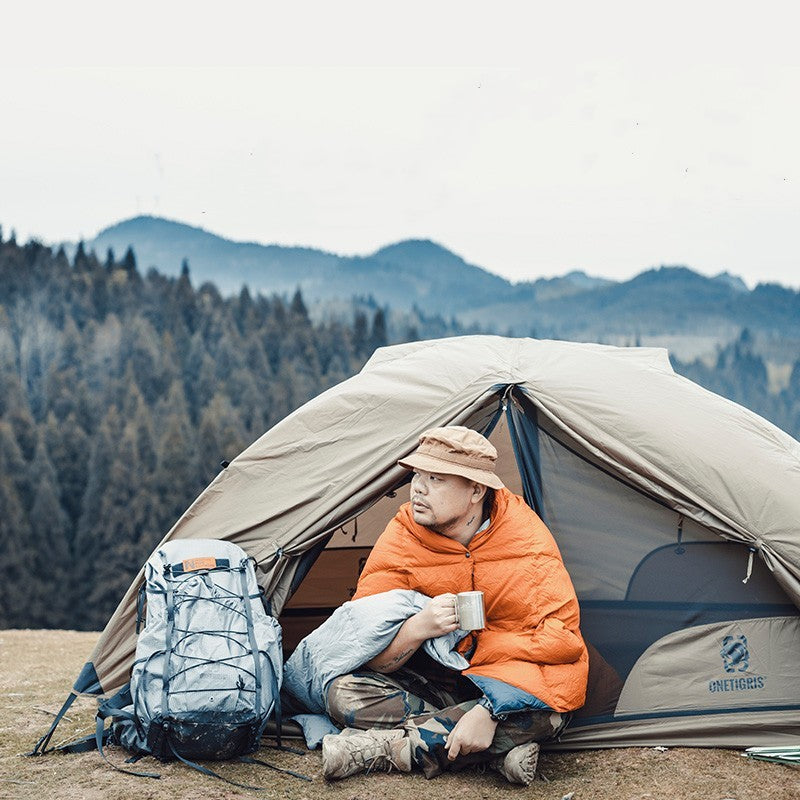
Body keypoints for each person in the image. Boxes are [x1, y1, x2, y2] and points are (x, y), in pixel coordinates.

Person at [321, 426, 588, 784]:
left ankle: (387, 749)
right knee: (343, 693)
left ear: (476, 490)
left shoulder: (525, 539)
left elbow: (562, 641)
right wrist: (418, 628)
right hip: (441, 683)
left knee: (551, 711)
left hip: (511, 682)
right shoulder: (403, 535)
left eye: (435, 478)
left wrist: (490, 708)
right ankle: (492, 752)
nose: (418, 488)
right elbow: (366, 643)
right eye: (417, 475)